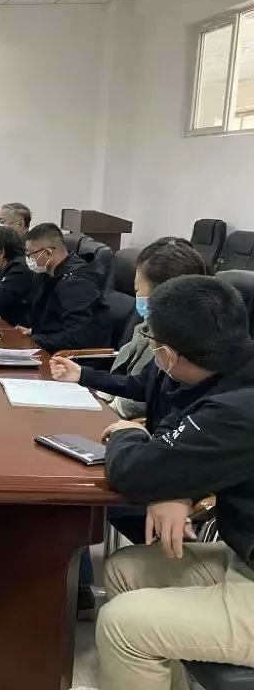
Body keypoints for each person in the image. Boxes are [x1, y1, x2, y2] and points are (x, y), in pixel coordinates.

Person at [94, 275, 254, 690]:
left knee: (123, 625)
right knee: (126, 569)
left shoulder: (236, 410)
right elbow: (179, 433)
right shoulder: (231, 375)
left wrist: (127, 433)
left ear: (167, 353)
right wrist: (179, 483)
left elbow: (135, 471)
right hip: (244, 558)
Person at [50, 238, 207, 420]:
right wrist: (83, 374)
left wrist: (104, 413)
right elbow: (141, 384)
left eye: (138, 291)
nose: (136, 297)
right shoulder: (152, 330)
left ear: (163, 295)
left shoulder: (179, 347)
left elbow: (166, 414)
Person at [22, 222, 111, 352]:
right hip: (53, 349)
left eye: (30, 254)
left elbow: (77, 338)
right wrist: (33, 333)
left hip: (75, 358)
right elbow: (55, 323)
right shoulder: (49, 275)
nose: (29, 259)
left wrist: (35, 340)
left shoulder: (77, 284)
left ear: (47, 253)